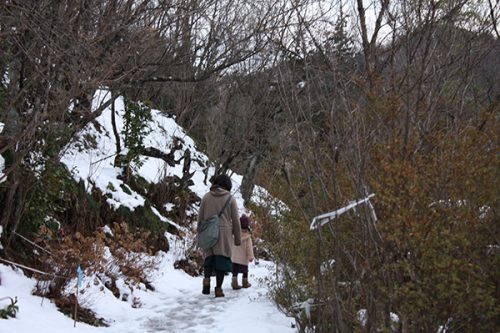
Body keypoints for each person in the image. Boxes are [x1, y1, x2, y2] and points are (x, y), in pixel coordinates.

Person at [198, 174, 241, 297]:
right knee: (221, 260)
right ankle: (218, 288)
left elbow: (200, 216)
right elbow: (236, 221)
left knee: (209, 257)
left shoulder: (206, 197)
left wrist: (199, 232)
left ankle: (206, 281)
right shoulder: (230, 199)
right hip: (224, 233)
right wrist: (237, 239)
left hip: (207, 231)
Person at [231, 214, 254, 290]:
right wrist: (251, 257)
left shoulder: (234, 234)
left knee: (235, 270)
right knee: (245, 270)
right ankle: (245, 282)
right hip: (244, 257)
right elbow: (249, 248)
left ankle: (234, 283)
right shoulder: (248, 237)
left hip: (235, 256)